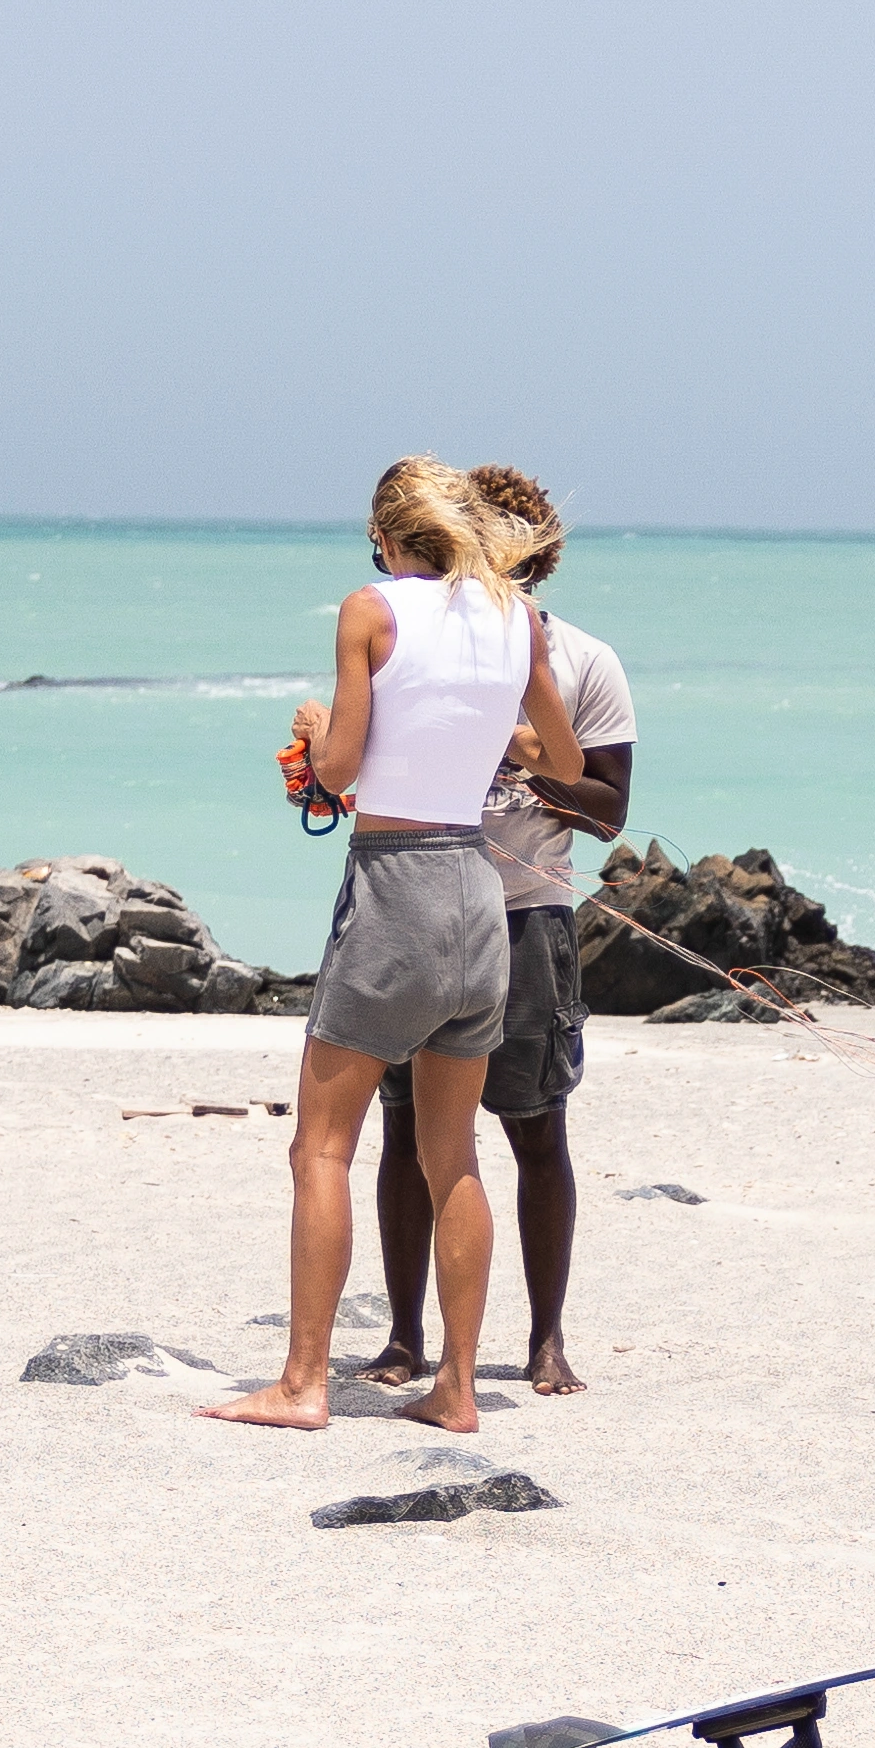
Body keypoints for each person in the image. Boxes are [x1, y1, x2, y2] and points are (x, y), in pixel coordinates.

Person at [213, 461, 575, 1438]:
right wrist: (488, 737)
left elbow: (334, 774)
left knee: (320, 1145)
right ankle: (456, 1387)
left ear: (386, 537)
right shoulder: (517, 618)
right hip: (475, 892)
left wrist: (315, 730)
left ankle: (300, 1383)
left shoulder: (368, 610)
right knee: (449, 1153)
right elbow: (566, 760)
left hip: (394, 891)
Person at [364, 462, 630, 1396]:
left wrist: (523, 751)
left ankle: (548, 1339)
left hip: (528, 916)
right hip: (420, 898)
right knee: (403, 1132)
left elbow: (608, 811)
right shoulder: (417, 642)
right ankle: (403, 1335)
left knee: (534, 1128)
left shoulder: (585, 661)